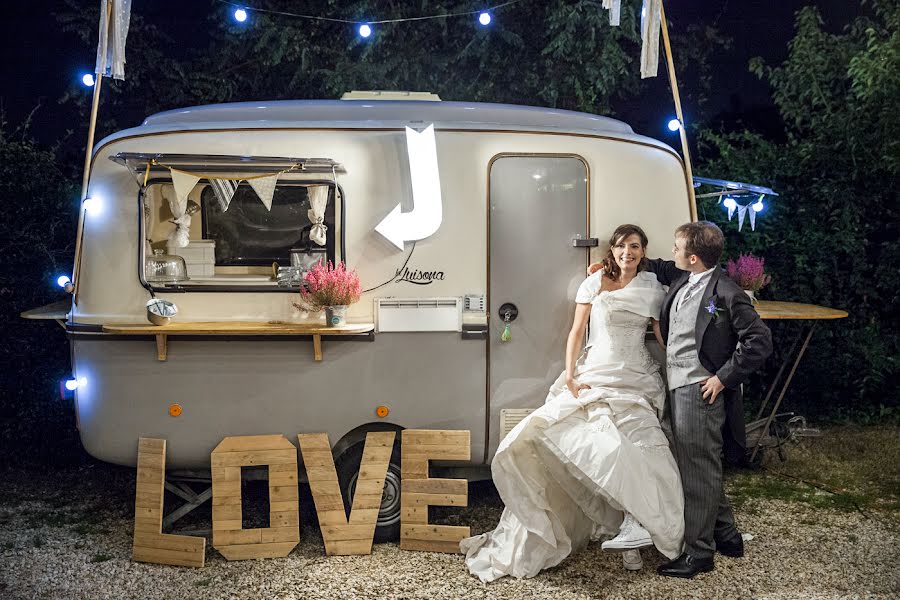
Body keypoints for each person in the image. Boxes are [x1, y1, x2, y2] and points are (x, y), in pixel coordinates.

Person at [460, 224, 684, 583]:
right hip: (596, 371)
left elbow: (661, 335)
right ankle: (620, 524)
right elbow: (576, 332)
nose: (629, 252)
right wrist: (570, 375)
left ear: (644, 252)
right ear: (611, 250)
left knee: (641, 450)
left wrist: (686, 361)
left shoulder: (652, 288)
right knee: (592, 447)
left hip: (636, 377)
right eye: (623, 246)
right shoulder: (592, 283)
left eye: (636, 246)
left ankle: (633, 530)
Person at [591, 221, 773, 578]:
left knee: (696, 470)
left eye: (676, 248)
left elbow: (759, 341)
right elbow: (655, 264)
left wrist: (723, 377)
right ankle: (727, 535)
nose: (670, 253)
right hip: (675, 384)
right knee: (698, 464)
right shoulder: (683, 275)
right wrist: (608, 265)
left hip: (698, 388)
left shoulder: (726, 292)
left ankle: (699, 554)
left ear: (692, 257)